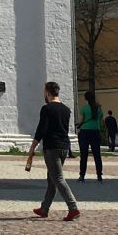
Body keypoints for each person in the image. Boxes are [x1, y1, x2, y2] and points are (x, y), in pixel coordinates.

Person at [25, 81, 80, 221]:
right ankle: (44, 208)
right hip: (64, 146)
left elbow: (41, 130)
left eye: (44, 92)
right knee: (52, 179)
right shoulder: (66, 110)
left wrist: (32, 149)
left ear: (48, 93)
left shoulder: (47, 109)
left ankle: (73, 207)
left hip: (52, 147)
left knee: (58, 178)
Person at [76, 90, 104, 182]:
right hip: (95, 132)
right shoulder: (99, 109)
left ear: (86, 98)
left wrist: (79, 125)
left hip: (85, 132)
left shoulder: (84, 108)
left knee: (84, 155)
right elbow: (100, 121)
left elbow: (81, 120)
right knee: (97, 154)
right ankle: (99, 175)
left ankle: (82, 175)